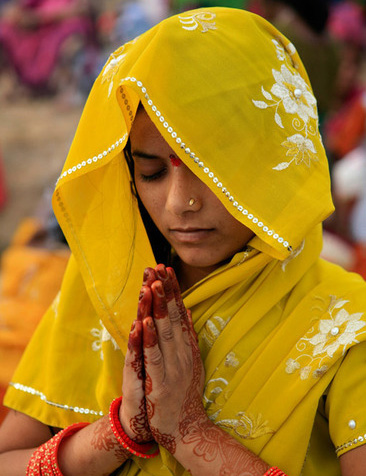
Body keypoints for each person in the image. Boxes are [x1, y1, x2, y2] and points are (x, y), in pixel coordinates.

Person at [0, 7, 366, 475]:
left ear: (273, 162)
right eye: (151, 172)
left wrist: (192, 433)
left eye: (211, 172)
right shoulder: (102, 297)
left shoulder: (345, 327)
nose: (179, 203)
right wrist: (121, 432)